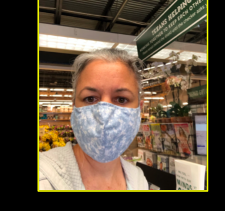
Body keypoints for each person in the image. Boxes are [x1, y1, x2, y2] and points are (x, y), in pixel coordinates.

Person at [39, 48, 149, 190]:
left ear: (139, 110)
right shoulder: (43, 177)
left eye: (121, 99)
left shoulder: (138, 179)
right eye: (90, 98)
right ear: (74, 108)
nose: (104, 115)